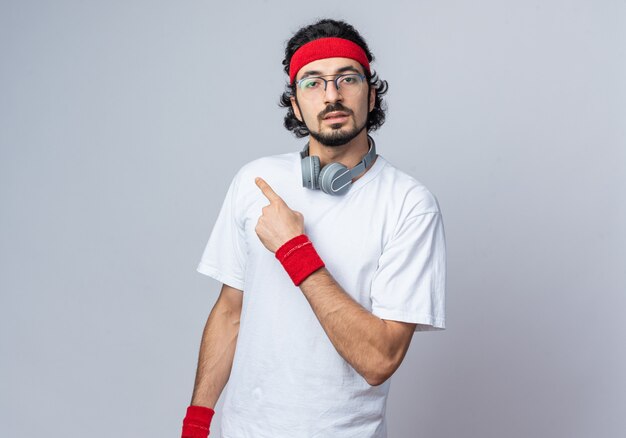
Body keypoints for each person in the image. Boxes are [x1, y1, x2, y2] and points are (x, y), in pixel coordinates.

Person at [180, 18, 446, 438]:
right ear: (294, 103)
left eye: (347, 78)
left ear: (372, 94)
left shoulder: (409, 205)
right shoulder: (256, 181)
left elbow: (379, 360)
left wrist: (294, 250)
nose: (332, 95)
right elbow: (230, 313)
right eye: (313, 82)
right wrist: (196, 424)